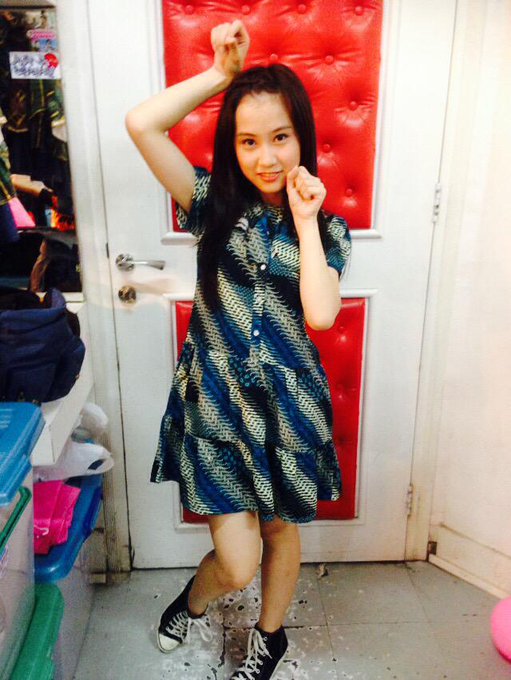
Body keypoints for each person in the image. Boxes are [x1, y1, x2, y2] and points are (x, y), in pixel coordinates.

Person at [125, 19, 351, 680]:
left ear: (302, 137)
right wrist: (219, 76)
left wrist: (304, 222)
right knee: (236, 560)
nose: (266, 156)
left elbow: (320, 312)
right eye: (248, 141)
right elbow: (142, 124)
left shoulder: (326, 228)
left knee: (280, 531)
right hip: (216, 404)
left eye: (280, 137)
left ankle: (269, 638)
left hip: (287, 409)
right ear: (233, 146)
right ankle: (193, 601)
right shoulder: (209, 204)